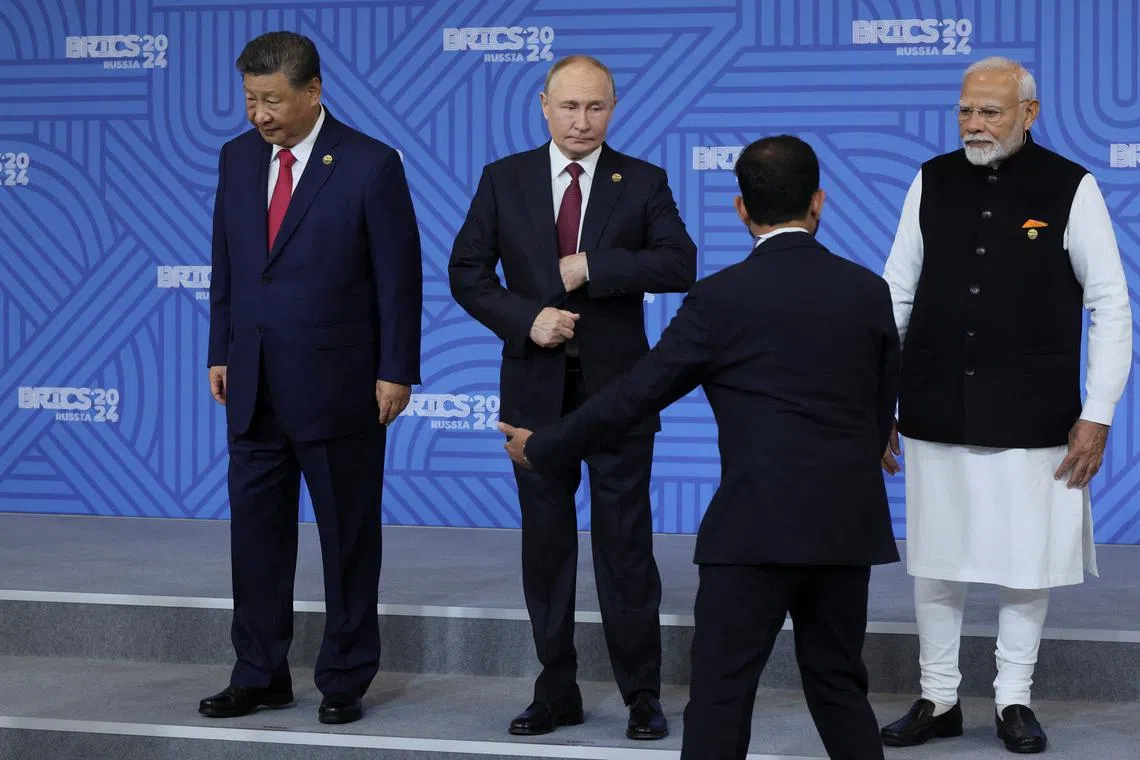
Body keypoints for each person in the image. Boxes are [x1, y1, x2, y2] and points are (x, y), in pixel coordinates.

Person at [499, 135, 900, 760]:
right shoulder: (869, 291)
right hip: (844, 531)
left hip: (753, 532)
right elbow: (880, 418)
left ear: (741, 209)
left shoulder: (720, 299)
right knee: (841, 689)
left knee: (720, 696)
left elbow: (632, 396)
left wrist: (544, 445)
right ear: (819, 202)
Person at [878, 56, 1132, 755]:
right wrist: (876, 397)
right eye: (965, 110)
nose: (974, 124)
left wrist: (1100, 410)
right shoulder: (929, 180)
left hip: (1037, 411)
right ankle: (938, 697)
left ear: (1030, 112)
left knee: (1029, 562)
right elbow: (895, 291)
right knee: (936, 557)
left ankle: (1014, 699)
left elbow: (1111, 303)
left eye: (989, 111)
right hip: (934, 400)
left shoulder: (1070, 188)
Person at [448, 54, 696, 739]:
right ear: (543, 105)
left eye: (595, 108)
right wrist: (526, 318)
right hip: (534, 391)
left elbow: (681, 262)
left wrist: (598, 266)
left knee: (625, 547)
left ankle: (642, 695)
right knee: (547, 548)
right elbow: (466, 272)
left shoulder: (642, 180)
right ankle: (556, 690)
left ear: (612, 109)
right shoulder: (505, 180)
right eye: (569, 107)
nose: (582, 121)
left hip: (619, 394)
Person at [201, 31, 422, 725]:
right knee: (255, 539)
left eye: (271, 100)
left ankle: (345, 675)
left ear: (313, 92)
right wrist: (221, 349)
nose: (258, 115)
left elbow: (398, 277)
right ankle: (259, 671)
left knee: (347, 537)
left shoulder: (369, 163)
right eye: (249, 99)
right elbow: (229, 266)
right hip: (254, 382)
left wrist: (396, 370)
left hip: (341, 384)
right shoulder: (237, 159)